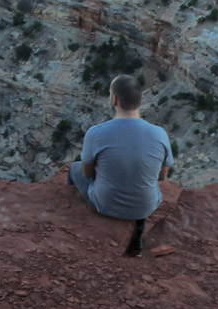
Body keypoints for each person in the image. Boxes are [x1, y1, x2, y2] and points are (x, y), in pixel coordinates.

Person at [68, 73, 173, 255]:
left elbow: (87, 174)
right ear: (140, 100)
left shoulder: (96, 133)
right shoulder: (159, 134)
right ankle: (138, 232)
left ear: (114, 99)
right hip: (147, 205)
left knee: (74, 169)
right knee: (142, 184)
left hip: (106, 204)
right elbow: (162, 177)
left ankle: (68, 211)